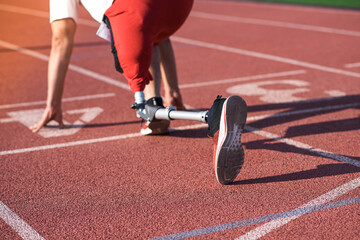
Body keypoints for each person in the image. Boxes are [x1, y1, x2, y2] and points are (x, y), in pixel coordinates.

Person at [30, 0, 248, 185]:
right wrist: (174, 90)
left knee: (139, 27)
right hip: (179, 8)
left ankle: (204, 117)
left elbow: (61, 38)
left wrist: (52, 104)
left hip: (134, 10)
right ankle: (166, 99)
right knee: (153, 28)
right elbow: (157, 28)